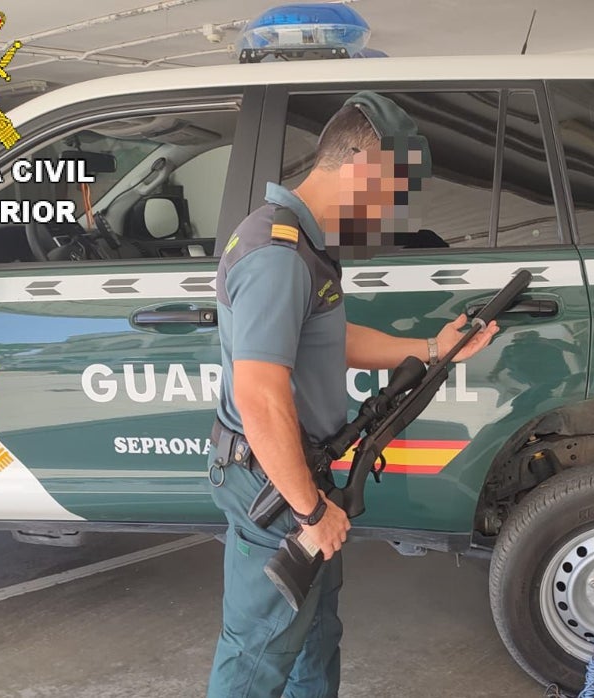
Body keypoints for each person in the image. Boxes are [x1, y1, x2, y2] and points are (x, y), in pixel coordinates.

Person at [206, 91, 500, 698]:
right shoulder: (279, 255)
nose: (393, 208)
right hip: (276, 483)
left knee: (313, 635)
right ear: (362, 167)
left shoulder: (302, 244)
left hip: (296, 475)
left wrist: (428, 348)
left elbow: (328, 338)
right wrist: (311, 511)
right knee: (261, 648)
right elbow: (260, 397)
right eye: (393, 189)